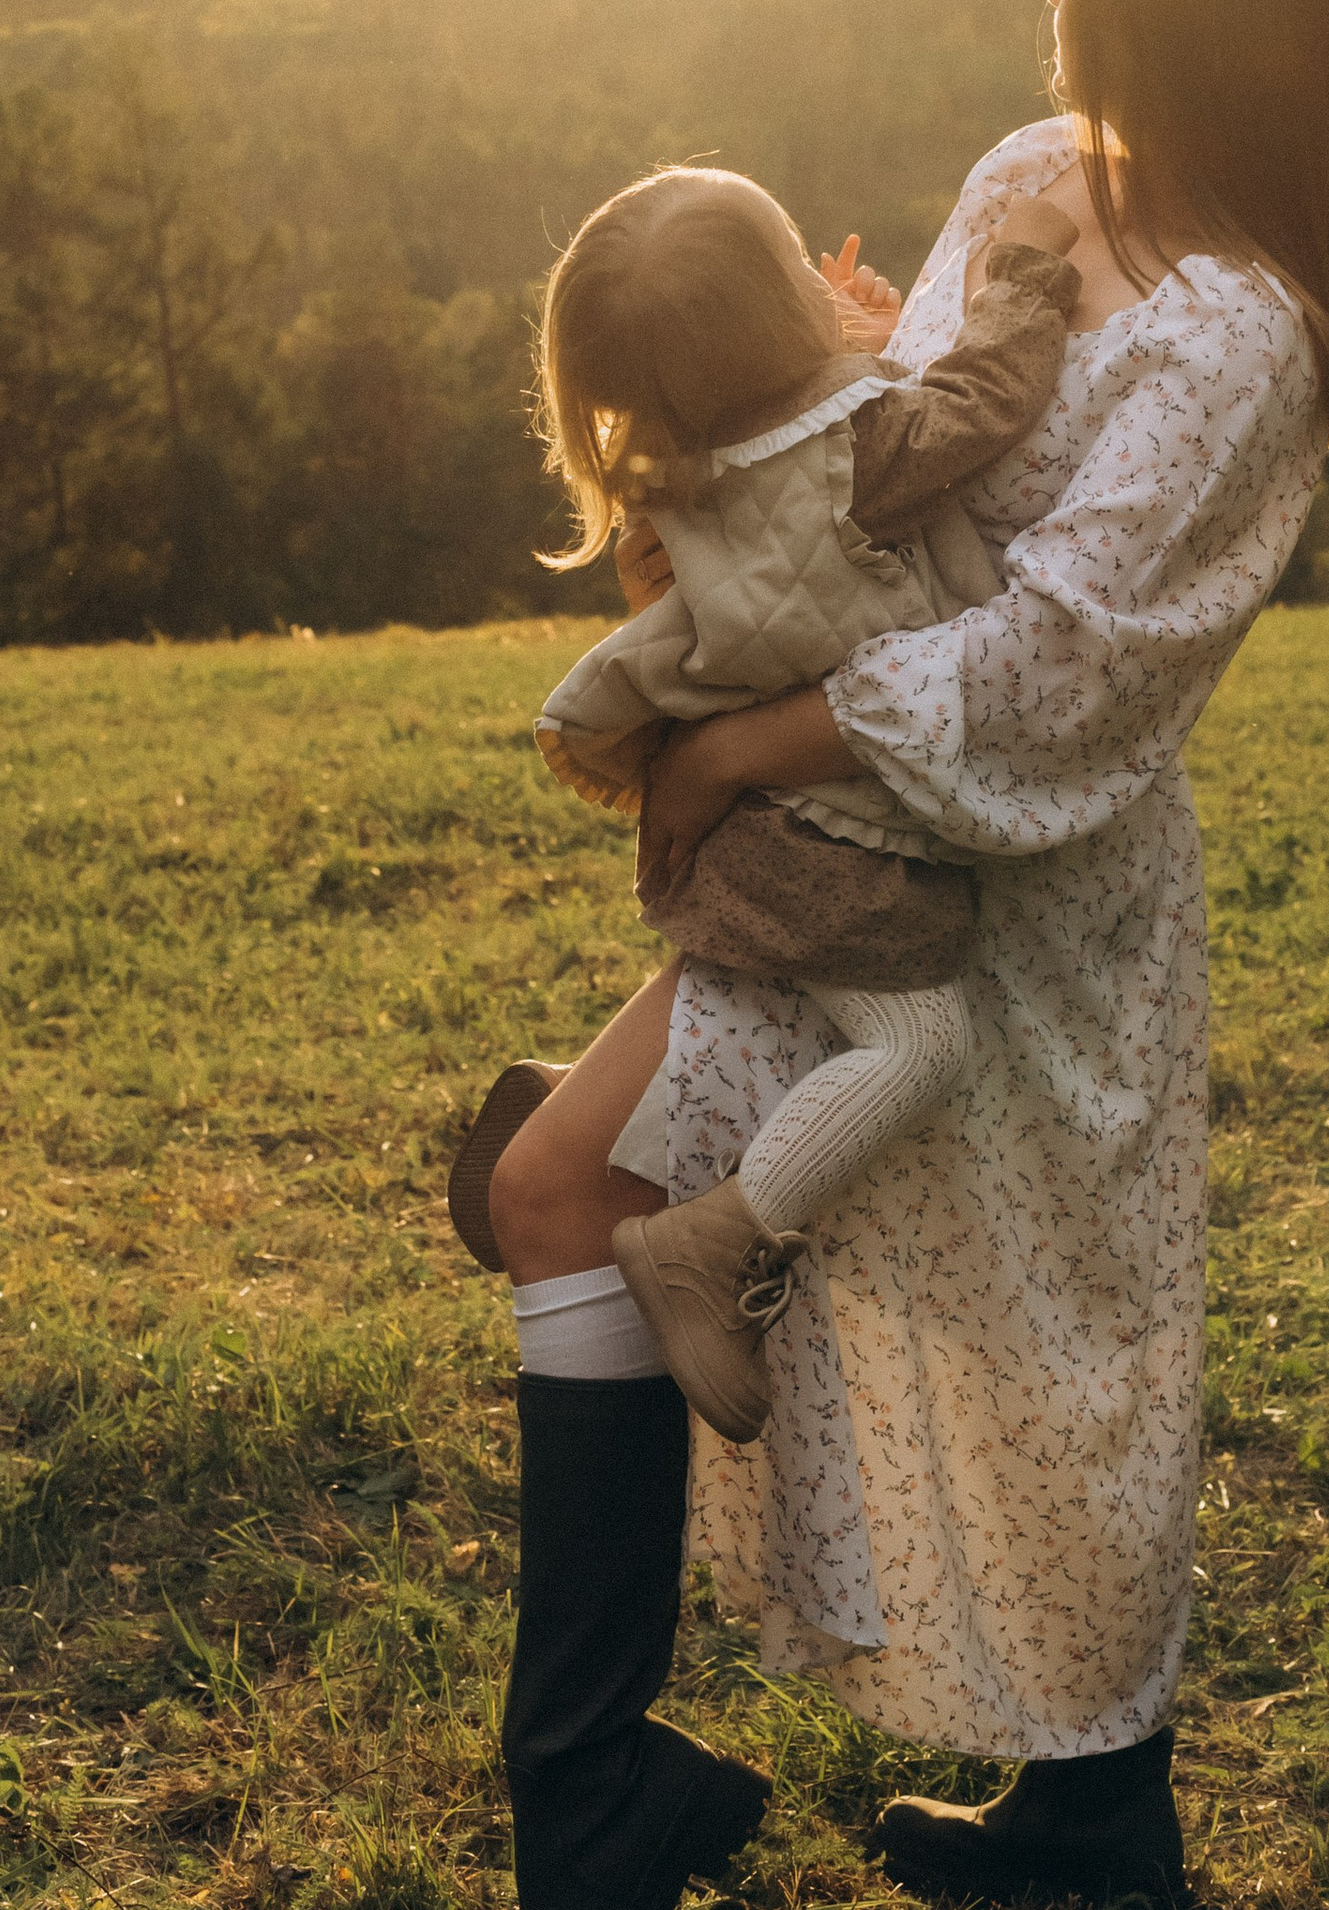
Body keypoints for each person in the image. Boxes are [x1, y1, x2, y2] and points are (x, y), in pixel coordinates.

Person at [466, 0, 1329, 1910]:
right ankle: (595, 1796)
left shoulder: (1240, 335)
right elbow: (896, 459)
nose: (1057, 1)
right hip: (835, 863)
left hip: (1023, 907)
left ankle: (1091, 1803)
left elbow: (1065, 663)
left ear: (1182, 5)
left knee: (1055, 1351)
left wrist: (728, 745)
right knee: (559, 1190)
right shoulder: (1031, 167)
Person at [449, 158, 1087, 1443]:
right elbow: (987, 395)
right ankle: (713, 1236)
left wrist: (821, 336)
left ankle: (577, 1107)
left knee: (813, 1025)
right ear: (780, 321)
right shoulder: (864, 453)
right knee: (922, 1045)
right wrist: (1023, 269)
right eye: (800, 265)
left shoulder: (692, 464)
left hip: (756, 842)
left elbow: (794, 432)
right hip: (831, 844)